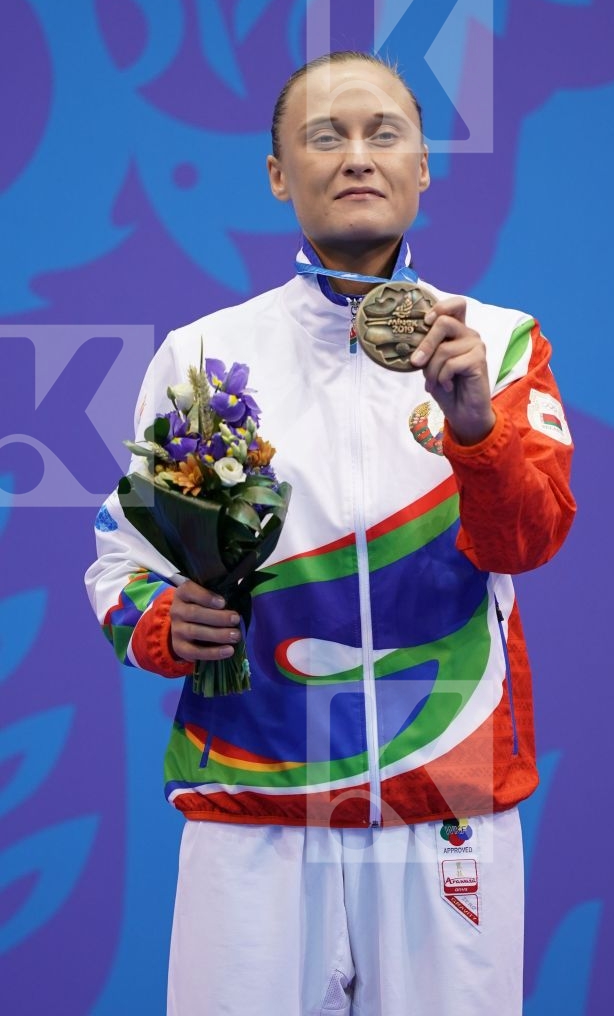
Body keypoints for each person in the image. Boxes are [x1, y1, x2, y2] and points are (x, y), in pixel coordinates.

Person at [86, 51, 576, 1015]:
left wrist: (477, 430)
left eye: (383, 133)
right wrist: (158, 627)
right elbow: (121, 562)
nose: (357, 156)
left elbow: (531, 539)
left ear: (424, 165)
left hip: (448, 801)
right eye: (325, 136)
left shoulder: (503, 341)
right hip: (254, 807)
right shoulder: (202, 354)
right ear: (278, 174)